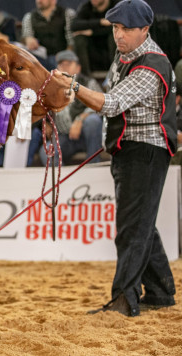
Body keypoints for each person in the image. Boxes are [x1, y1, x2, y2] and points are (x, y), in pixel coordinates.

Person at [69, 0, 176, 317]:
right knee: (141, 223)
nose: (119, 34)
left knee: (132, 228)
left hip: (144, 149)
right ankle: (159, 291)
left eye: (127, 28)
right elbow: (107, 92)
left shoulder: (151, 63)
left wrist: (73, 87)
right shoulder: (126, 56)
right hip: (128, 147)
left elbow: (111, 103)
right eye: (115, 27)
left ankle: (124, 298)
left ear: (145, 29)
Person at [39, 50, 103, 166]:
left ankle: (93, 166)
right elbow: (43, 108)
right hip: (64, 136)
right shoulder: (50, 88)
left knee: (92, 121)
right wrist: (46, 122)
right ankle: (61, 180)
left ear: (78, 68)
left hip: (86, 134)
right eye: (61, 64)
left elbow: (100, 105)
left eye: (68, 64)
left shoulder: (89, 83)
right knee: (47, 150)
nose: (64, 67)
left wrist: (80, 119)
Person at [21, 0, 75, 70]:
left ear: (53, 1)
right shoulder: (29, 17)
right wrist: (27, 39)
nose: (39, 1)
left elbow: (72, 40)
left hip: (62, 56)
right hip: (41, 58)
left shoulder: (67, 14)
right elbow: (24, 37)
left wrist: (66, 55)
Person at [71, 0, 119, 75]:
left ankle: (116, 72)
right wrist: (100, 22)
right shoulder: (87, 6)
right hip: (93, 50)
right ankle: (85, 76)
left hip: (112, 49)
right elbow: (74, 25)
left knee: (115, 36)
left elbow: (120, 27)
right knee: (79, 38)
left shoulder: (117, 5)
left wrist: (93, 32)